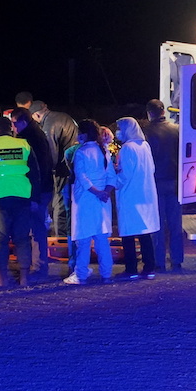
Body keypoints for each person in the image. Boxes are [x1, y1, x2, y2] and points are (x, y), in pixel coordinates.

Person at [0, 116, 40, 287]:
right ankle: (24, 277)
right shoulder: (24, 144)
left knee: (0, 239)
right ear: (11, 129)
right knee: (22, 238)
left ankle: (1, 277)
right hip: (22, 195)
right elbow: (35, 174)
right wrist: (35, 198)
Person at [65, 119, 115, 285]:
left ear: (84, 134)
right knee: (101, 238)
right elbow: (111, 176)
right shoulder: (103, 150)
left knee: (83, 239)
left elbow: (82, 177)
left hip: (85, 200)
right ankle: (106, 274)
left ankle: (81, 275)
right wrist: (105, 192)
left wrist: (97, 192)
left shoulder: (81, 152)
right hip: (103, 201)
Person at [112, 117, 160, 280]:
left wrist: (113, 182)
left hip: (130, 196)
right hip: (145, 194)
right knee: (144, 233)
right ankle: (149, 267)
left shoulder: (127, 148)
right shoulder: (144, 146)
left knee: (128, 234)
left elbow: (124, 175)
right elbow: (152, 168)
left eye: (120, 128)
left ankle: (131, 268)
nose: (118, 132)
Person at [11, 107, 54, 278]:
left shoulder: (29, 138)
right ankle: (35, 266)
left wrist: (34, 196)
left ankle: (39, 268)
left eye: (14, 123)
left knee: (36, 230)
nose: (13, 127)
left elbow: (38, 169)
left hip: (36, 191)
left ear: (22, 122)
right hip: (40, 189)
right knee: (36, 228)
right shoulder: (37, 134)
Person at [143, 99, 184, 271]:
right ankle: (177, 259)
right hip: (175, 182)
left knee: (157, 225)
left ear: (149, 113)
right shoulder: (177, 130)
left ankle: (159, 261)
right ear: (163, 111)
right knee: (175, 224)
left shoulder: (145, 132)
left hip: (156, 183)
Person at [28, 100, 78, 242]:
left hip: (62, 170)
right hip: (72, 167)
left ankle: (61, 239)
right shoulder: (63, 116)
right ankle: (67, 237)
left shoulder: (49, 124)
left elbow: (51, 153)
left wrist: (46, 173)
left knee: (59, 205)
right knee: (65, 204)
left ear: (36, 115)